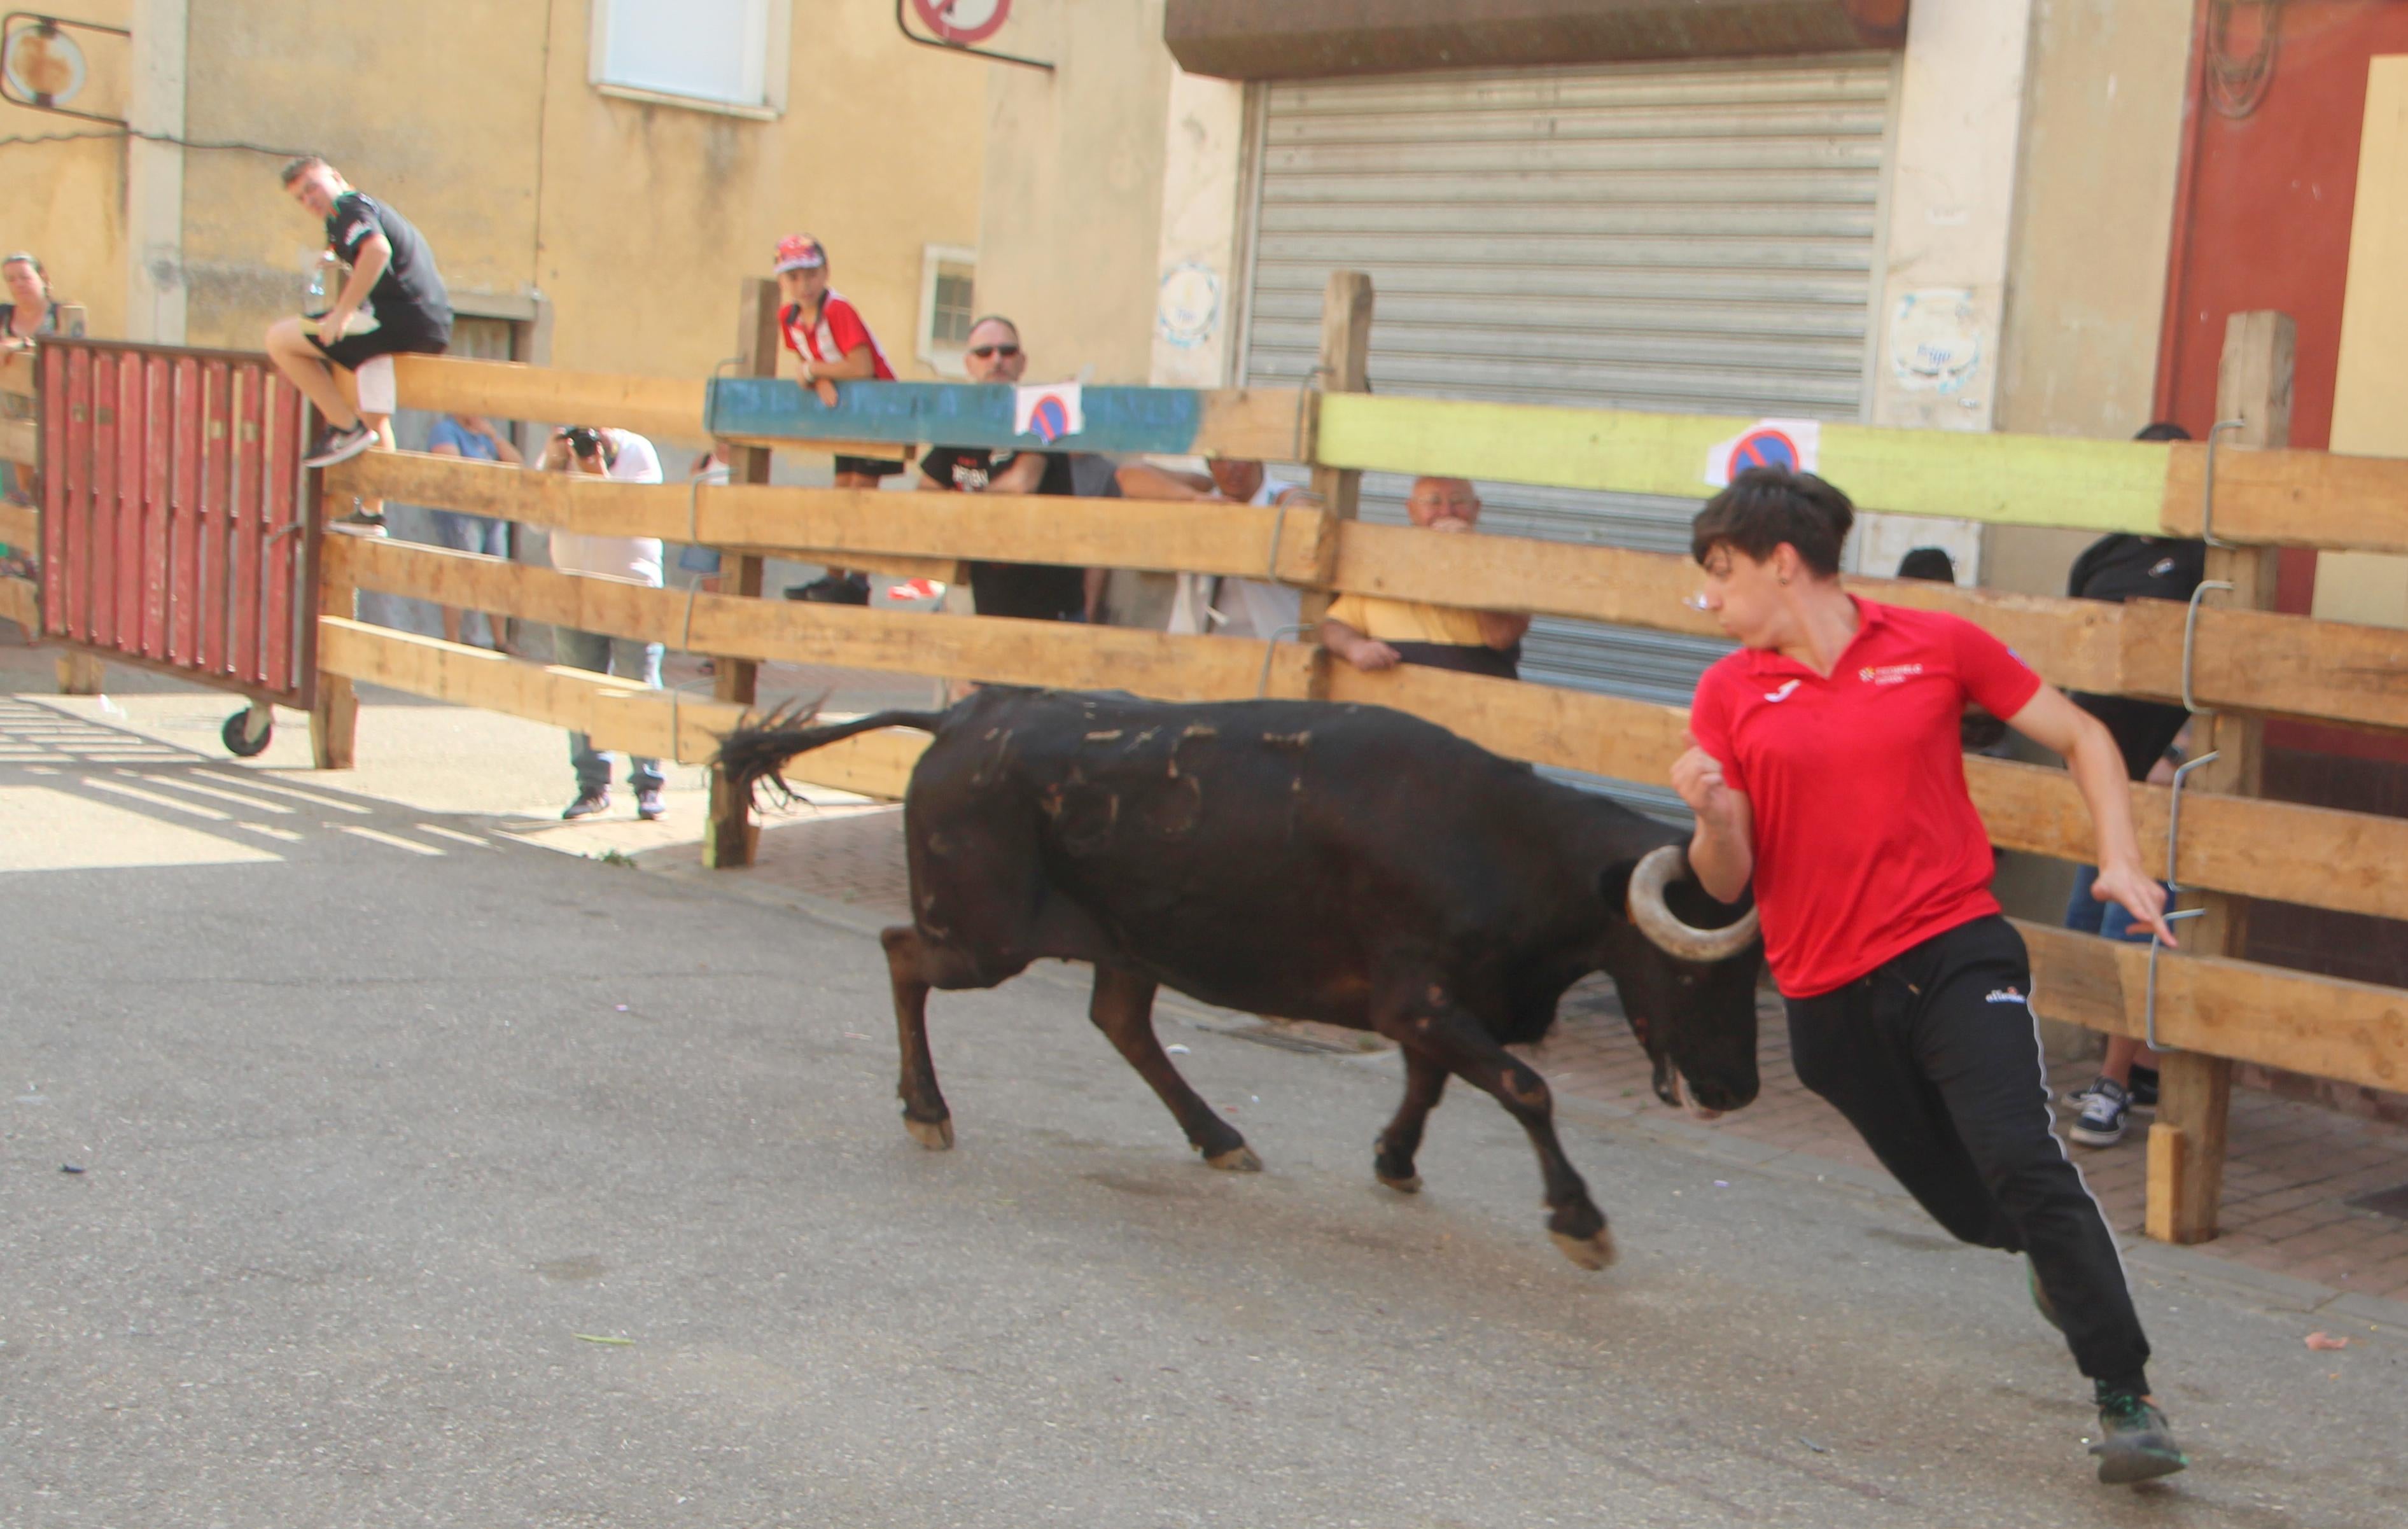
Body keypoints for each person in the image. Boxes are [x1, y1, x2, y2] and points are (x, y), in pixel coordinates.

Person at [1670, 467, 2185, 1486]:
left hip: (1953, 947)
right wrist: (1714, 819)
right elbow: (1724, 880)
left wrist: (2120, 858)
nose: (1709, 598)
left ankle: (2126, 1395)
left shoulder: (1934, 643)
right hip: (1826, 992)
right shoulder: (1729, 690)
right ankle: (2049, 1256)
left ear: (1784, 562)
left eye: (1721, 573)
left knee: (2023, 1157)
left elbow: (2083, 734)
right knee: (1975, 1210)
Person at [2058, 422, 2203, 1146]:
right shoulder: (2101, 555)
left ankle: (2113, 1085)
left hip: (2155, 791)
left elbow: (2223, 675)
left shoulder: (2204, 560)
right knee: (2084, 929)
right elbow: (2070, 647)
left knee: (2132, 933)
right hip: (2096, 781)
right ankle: (2137, 1069)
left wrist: (2176, 754)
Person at [263, 156, 452, 480]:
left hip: (397, 319)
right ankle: (373, 505)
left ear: (336, 177)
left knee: (279, 339)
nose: (309, 200)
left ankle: (343, 427)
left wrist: (343, 312)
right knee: (374, 417)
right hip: (424, 322)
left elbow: (377, 251)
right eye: (301, 198)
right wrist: (337, 259)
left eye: (312, 188)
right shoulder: (360, 209)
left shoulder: (347, 206)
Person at [916, 315, 1098, 622]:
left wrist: (960, 503)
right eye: (984, 352)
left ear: (1022, 362)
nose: (997, 360)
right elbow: (925, 493)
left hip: (1048, 613)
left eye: (1007, 351)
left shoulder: (1042, 414)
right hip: (982, 606)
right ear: (969, 364)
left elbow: (1022, 483)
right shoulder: (961, 427)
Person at [542, 425, 666, 821]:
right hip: (574, 590)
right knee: (581, 688)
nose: (589, 439)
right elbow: (533, 520)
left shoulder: (638, 450)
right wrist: (551, 467)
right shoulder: (560, 454)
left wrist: (598, 474)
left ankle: (648, 784)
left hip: (633, 592)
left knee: (639, 687)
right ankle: (592, 787)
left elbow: (636, 514)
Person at [774, 234, 899, 606]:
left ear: (825, 272)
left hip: (879, 410)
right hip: (849, 415)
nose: (804, 285)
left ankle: (858, 580)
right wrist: (820, 377)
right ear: (783, 281)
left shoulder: (838, 310)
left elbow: (861, 366)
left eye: (811, 274)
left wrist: (814, 372)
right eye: (794, 277)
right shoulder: (789, 318)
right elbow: (808, 358)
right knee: (842, 490)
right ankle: (834, 576)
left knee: (861, 494)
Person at [1319, 477, 1530, 677]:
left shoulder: (1501, 565)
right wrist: (1354, 647)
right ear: (1411, 510)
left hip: (1481, 700)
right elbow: (1334, 626)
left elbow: (1502, 636)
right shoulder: (1384, 567)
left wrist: (1471, 556)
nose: (1447, 511)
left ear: (1476, 509)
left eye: (1458, 501)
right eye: (1433, 502)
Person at [1114, 456, 1312, 638]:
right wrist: (1192, 498)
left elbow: (1301, 522)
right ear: (1209, 463)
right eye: (1220, 460)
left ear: (1258, 459)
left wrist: (1234, 521)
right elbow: (1129, 475)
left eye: (1239, 458)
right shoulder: (1206, 489)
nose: (1230, 468)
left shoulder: (1283, 497)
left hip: (1266, 642)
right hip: (1196, 641)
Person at [423, 414, 522, 649]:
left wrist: (493, 435)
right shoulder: (445, 430)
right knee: (460, 575)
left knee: (496, 576)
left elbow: (518, 464)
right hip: (462, 513)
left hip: (491, 513)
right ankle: (453, 641)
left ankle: (500, 641)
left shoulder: (485, 434)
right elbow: (455, 471)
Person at [0, 252, 83, 359]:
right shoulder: (3, 315)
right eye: (11, 279)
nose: (19, 284)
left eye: (25, 277)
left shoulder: (65, 313)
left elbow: (76, 355)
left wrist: (22, 345)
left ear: (43, 278)